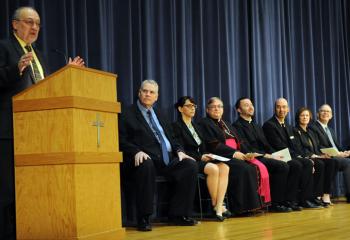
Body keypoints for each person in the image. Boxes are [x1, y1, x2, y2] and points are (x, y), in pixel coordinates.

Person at [0, 6, 84, 239]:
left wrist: (65, 74)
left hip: (39, 130)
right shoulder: (4, 47)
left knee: (33, 189)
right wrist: (15, 69)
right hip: (11, 129)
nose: (34, 27)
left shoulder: (40, 54)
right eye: (29, 22)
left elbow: (45, 87)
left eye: (37, 23)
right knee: (9, 191)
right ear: (15, 24)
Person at [119, 80, 198, 231]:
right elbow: (121, 139)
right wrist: (136, 151)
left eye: (151, 92)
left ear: (157, 96)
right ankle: (144, 217)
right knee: (146, 164)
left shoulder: (161, 114)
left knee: (190, 165)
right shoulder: (127, 113)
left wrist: (180, 151)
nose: (148, 94)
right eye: (145, 91)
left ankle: (179, 215)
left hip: (166, 159)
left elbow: (172, 138)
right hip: (144, 159)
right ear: (139, 93)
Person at [198, 97, 262, 215]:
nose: (217, 109)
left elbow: (240, 142)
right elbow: (213, 144)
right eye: (213, 107)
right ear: (207, 110)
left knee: (251, 166)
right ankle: (241, 208)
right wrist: (234, 153)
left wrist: (246, 153)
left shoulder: (226, 124)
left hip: (235, 155)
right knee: (244, 168)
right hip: (219, 156)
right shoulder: (204, 123)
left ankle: (253, 206)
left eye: (219, 106)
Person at [172, 96, 230, 221]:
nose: (192, 108)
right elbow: (181, 149)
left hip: (202, 158)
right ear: (180, 109)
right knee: (214, 169)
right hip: (190, 161)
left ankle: (219, 206)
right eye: (188, 106)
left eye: (194, 106)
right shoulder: (177, 126)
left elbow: (203, 146)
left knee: (225, 167)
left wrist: (209, 155)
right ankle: (216, 206)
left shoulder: (196, 126)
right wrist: (200, 156)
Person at [233, 97, 295, 212]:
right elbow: (245, 147)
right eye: (246, 105)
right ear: (239, 110)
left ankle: (287, 200)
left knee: (292, 162)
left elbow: (266, 145)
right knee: (282, 166)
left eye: (251, 104)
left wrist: (275, 154)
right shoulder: (237, 126)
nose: (251, 107)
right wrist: (265, 155)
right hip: (254, 157)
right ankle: (275, 203)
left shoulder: (256, 125)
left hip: (266, 155)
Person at [262, 98, 322, 209]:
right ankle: (289, 200)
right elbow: (278, 145)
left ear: (288, 109)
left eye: (284, 107)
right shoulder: (269, 125)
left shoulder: (288, 126)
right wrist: (297, 157)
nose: (281, 109)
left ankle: (304, 199)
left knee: (308, 163)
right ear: (275, 108)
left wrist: (302, 156)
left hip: (289, 155)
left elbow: (295, 146)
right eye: (279, 107)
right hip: (278, 155)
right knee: (297, 164)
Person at [294, 107, 338, 206]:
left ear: (310, 117)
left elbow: (316, 147)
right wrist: (312, 156)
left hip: (315, 155)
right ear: (298, 117)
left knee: (332, 162)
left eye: (307, 115)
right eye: (302, 115)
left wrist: (321, 155)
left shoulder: (310, 131)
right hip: (305, 157)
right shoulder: (295, 131)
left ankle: (325, 194)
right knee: (320, 164)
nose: (305, 117)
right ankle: (315, 196)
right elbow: (299, 148)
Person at [309, 104, 350, 203]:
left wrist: (344, 152)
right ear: (318, 114)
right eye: (323, 111)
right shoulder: (313, 127)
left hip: (336, 156)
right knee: (348, 162)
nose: (325, 113)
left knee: (347, 159)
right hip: (325, 157)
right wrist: (336, 154)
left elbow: (336, 146)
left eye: (328, 112)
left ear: (331, 115)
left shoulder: (330, 130)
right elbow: (317, 147)